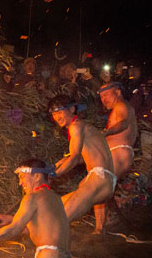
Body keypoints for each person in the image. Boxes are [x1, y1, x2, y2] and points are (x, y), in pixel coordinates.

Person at [47, 94, 115, 225]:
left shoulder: (75, 127)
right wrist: (55, 165)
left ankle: (18, 229)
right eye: (54, 114)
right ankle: (100, 231)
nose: (57, 117)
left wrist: (54, 174)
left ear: (72, 109)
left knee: (60, 219)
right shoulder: (83, 127)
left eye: (60, 112)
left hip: (98, 177)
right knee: (56, 205)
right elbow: (80, 158)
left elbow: (75, 156)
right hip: (106, 179)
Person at [94, 82, 138, 233]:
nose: (103, 99)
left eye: (106, 94)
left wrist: (105, 133)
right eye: (101, 97)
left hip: (118, 152)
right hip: (120, 153)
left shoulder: (121, 107)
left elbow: (123, 124)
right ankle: (106, 221)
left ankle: (99, 229)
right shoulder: (122, 107)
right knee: (104, 188)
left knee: (99, 187)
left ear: (118, 92)